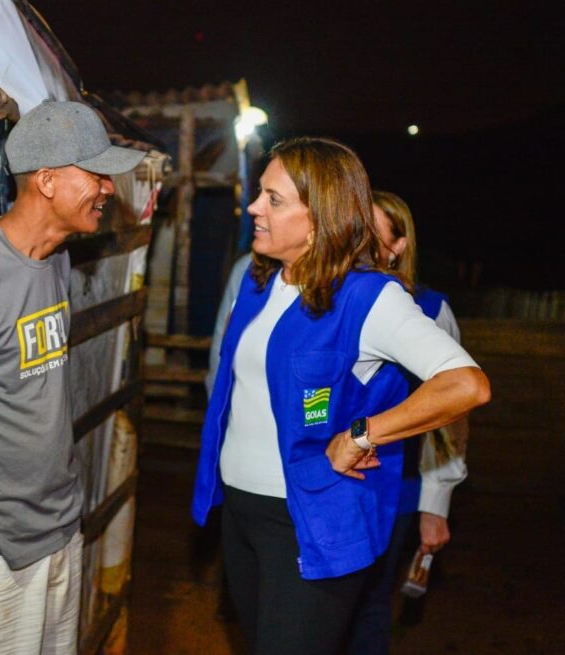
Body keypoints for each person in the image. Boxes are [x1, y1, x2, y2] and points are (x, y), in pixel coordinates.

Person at [191, 136, 490, 655]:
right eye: (260, 194)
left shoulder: (370, 297)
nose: (254, 208)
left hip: (310, 525)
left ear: (321, 216)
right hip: (240, 512)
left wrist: (362, 434)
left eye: (274, 200)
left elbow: (466, 384)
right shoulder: (258, 282)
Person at [0, 100, 145, 654]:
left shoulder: (58, 262)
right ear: (45, 181)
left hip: (59, 531)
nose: (108, 189)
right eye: (95, 174)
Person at [347, 190, 470, 654]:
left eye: (371, 233)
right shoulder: (324, 299)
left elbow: (451, 412)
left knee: (369, 599)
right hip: (328, 476)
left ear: (398, 246)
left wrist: (436, 503)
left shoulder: (430, 309)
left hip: (394, 482)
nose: (357, 243)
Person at [206, 252, 253, 396]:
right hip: (241, 408)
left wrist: (313, 418)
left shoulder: (320, 283)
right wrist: (218, 404)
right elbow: (221, 345)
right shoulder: (246, 270)